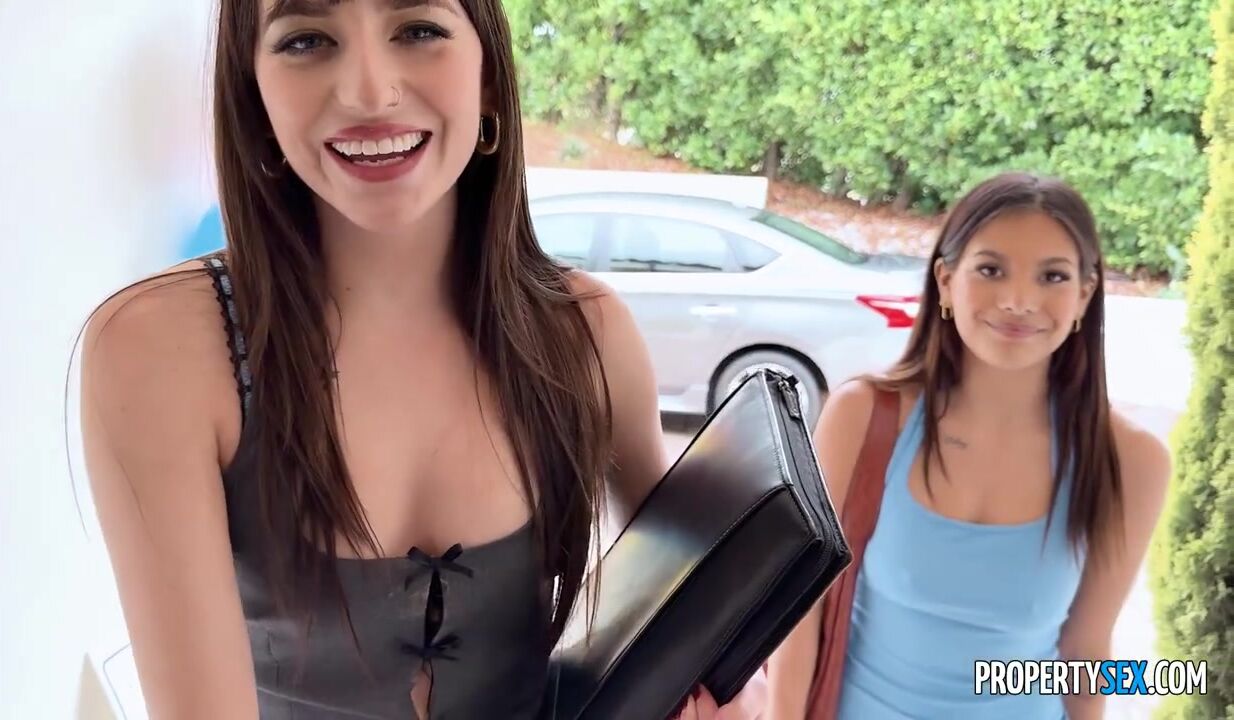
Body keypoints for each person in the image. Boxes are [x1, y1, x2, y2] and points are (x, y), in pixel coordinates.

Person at [78, 1, 764, 717]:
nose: (369, 93)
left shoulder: (584, 334)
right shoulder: (164, 351)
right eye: (306, 40)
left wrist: (726, 690)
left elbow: (698, 626)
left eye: (419, 30)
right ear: (254, 93)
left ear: (489, 76)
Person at [764, 172, 1172, 719]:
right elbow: (799, 614)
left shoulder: (1131, 460)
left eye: (1052, 276)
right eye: (991, 270)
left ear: (1084, 295)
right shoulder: (863, 416)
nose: (1019, 300)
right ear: (946, 280)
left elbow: (1087, 652)